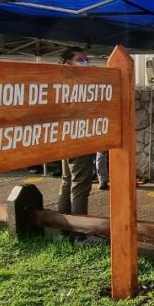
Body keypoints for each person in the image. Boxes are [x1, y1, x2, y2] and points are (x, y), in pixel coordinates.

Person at [57, 47, 96, 215]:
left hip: (66, 138)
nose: (85, 63)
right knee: (80, 185)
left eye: (86, 59)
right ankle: (80, 234)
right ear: (67, 63)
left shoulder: (61, 82)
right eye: (80, 60)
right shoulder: (74, 85)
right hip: (79, 138)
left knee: (67, 181)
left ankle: (65, 227)